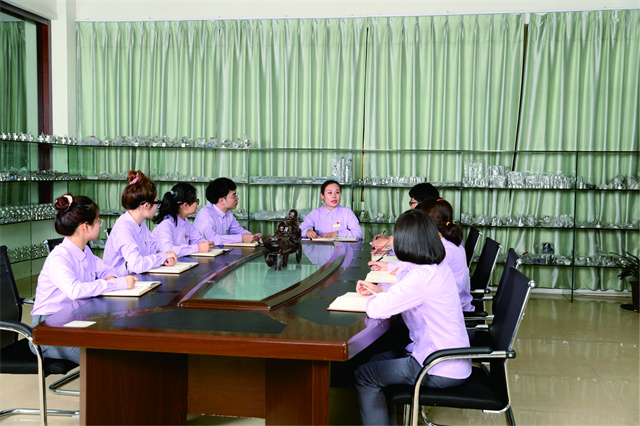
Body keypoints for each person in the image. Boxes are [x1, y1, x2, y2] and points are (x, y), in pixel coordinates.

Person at [354, 209, 471, 425]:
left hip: (438, 367)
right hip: (448, 356)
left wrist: (372, 296)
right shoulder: (435, 267)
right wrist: (378, 290)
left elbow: (378, 309)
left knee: (365, 375)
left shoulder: (421, 277)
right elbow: (404, 282)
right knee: (375, 361)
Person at [30, 193, 137, 363]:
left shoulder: (84, 250)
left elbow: (107, 270)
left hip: (74, 317)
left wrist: (111, 277)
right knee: (102, 356)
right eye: (98, 221)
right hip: (48, 328)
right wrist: (117, 284)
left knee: (119, 339)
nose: (100, 225)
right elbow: (76, 290)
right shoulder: (59, 257)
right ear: (85, 227)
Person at [370, 198, 474, 312]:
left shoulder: (445, 251)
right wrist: (388, 266)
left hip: (451, 307)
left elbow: (417, 274)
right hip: (439, 304)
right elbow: (416, 267)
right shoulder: (440, 243)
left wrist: (381, 287)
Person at [103, 170, 177, 275]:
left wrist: (163, 259)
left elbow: (152, 250)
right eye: (157, 202)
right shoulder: (123, 228)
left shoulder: (140, 222)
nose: (157, 207)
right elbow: (137, 264)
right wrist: (163, 256)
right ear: (146, 205)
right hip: (120, 281)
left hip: (137, 278)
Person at [370, 182, 440, 250]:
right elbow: (413, 236)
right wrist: (389, 238)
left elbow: (420, 243)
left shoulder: (433, 220)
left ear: (422, 203)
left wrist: (389, 242)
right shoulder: (428, 217)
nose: (411, 207)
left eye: (412, 202)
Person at [152, 183, 214, 257]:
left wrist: (207, 244)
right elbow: (168, 251)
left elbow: (197, 239)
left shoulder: (185, 221)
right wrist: (197, 248)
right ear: (185, 205)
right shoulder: (166, 223)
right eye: (196, 201)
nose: (197, 204)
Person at [194, 177, 261, 245]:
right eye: (233, 196)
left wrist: (252, 236)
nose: (237, 198)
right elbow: (212, 239)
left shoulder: (228, 213)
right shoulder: (205, 214)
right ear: (221, 201)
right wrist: (241, 238)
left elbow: (237, 230)